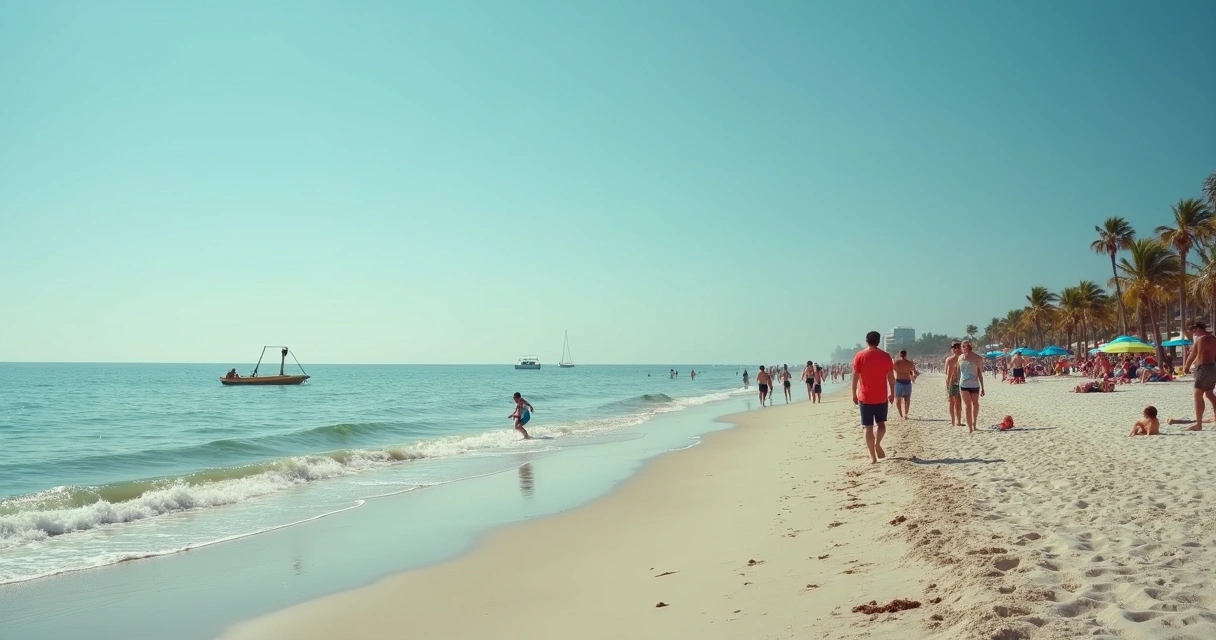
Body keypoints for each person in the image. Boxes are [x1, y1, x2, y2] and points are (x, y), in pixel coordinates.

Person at [852, 331, 895, 464]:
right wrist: (892, 392)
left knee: (867, 427)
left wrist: (853, 393)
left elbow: (854, 377)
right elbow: (891, 377)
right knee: (881, 424)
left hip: (865, 397)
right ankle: (877, 444)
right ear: (878, 341)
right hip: (881, 397)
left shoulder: (859, 356)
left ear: (866, 340)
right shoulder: (886, 356)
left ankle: (873, 457)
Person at [1182, 321, 1216, 431]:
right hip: (1211, 367)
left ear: (1198, 329)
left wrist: (1187, 366)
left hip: (1203, 368)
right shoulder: (1213, 337)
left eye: (1193, 331)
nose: (1194, 334)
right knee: (1209, 393)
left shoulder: (1202, 339)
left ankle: (1198, 424)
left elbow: (1195, 354)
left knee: (1197, 395)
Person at [958, 341, 985, 433]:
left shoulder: (978, 358)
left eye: (963, 346)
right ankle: (970, 428)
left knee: (976, 405)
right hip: (963, 385)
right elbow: (959, 372)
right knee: (967, 406)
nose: (962, 348)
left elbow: (980, 374)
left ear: (967, 347)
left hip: (974, 385)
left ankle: (974, 424)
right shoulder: (960, 358)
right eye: (962, 346)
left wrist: (983, 388)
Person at [892, 349, 919, 420]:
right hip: (907, 382)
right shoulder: (910, 363)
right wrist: (914, 378)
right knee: (907, 399)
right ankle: (906, 415)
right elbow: (916, 372)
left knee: (898, 399)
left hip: (899, 382)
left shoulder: (896, 363)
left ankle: (900, 414)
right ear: (906, 355)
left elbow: (891, 370)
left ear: (900, 354)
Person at [944, 342, 963, 426]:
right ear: (953, 349)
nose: (959, 349)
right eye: (956, 348)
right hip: (953, 382)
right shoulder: (949, 360)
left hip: (962, 382)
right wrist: (947, 387)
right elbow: (947, 374)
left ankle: (958, 421)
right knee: (952, 402)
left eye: (960, 347)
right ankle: (953, 421)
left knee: (959, 403)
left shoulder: (964, 358)